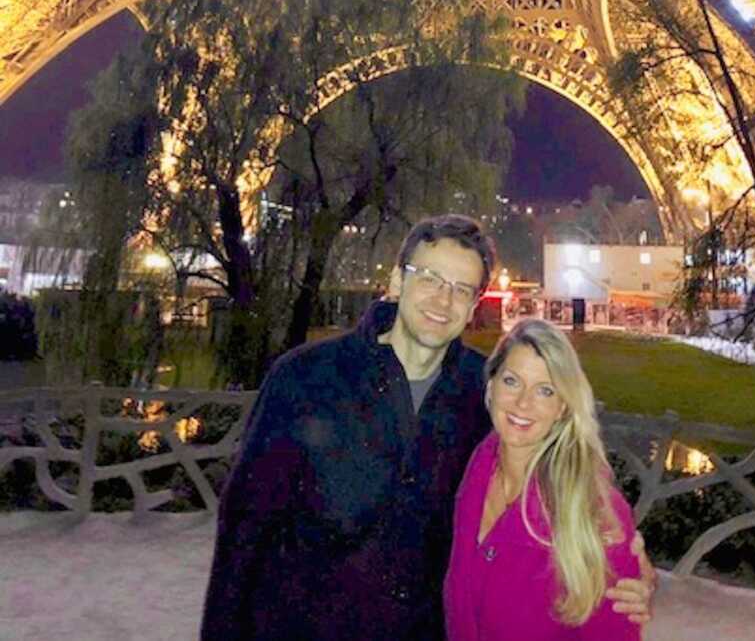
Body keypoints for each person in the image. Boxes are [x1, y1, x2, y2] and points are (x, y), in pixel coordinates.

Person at [200, 215, 654, 641]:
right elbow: (244, 531)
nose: (443, 299)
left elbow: (551, 468)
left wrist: (624, 565)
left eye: (461, 288)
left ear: (475, 305)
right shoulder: (303, 378)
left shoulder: (488, 395)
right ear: (398, 280)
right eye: (431, 278)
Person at [444, 320, 645, 640]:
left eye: (545, 390)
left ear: (563, 406)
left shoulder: (593, 509)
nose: (523, 403)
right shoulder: (474, 471)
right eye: (512, 381)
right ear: (491, 385)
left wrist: (641, 573)